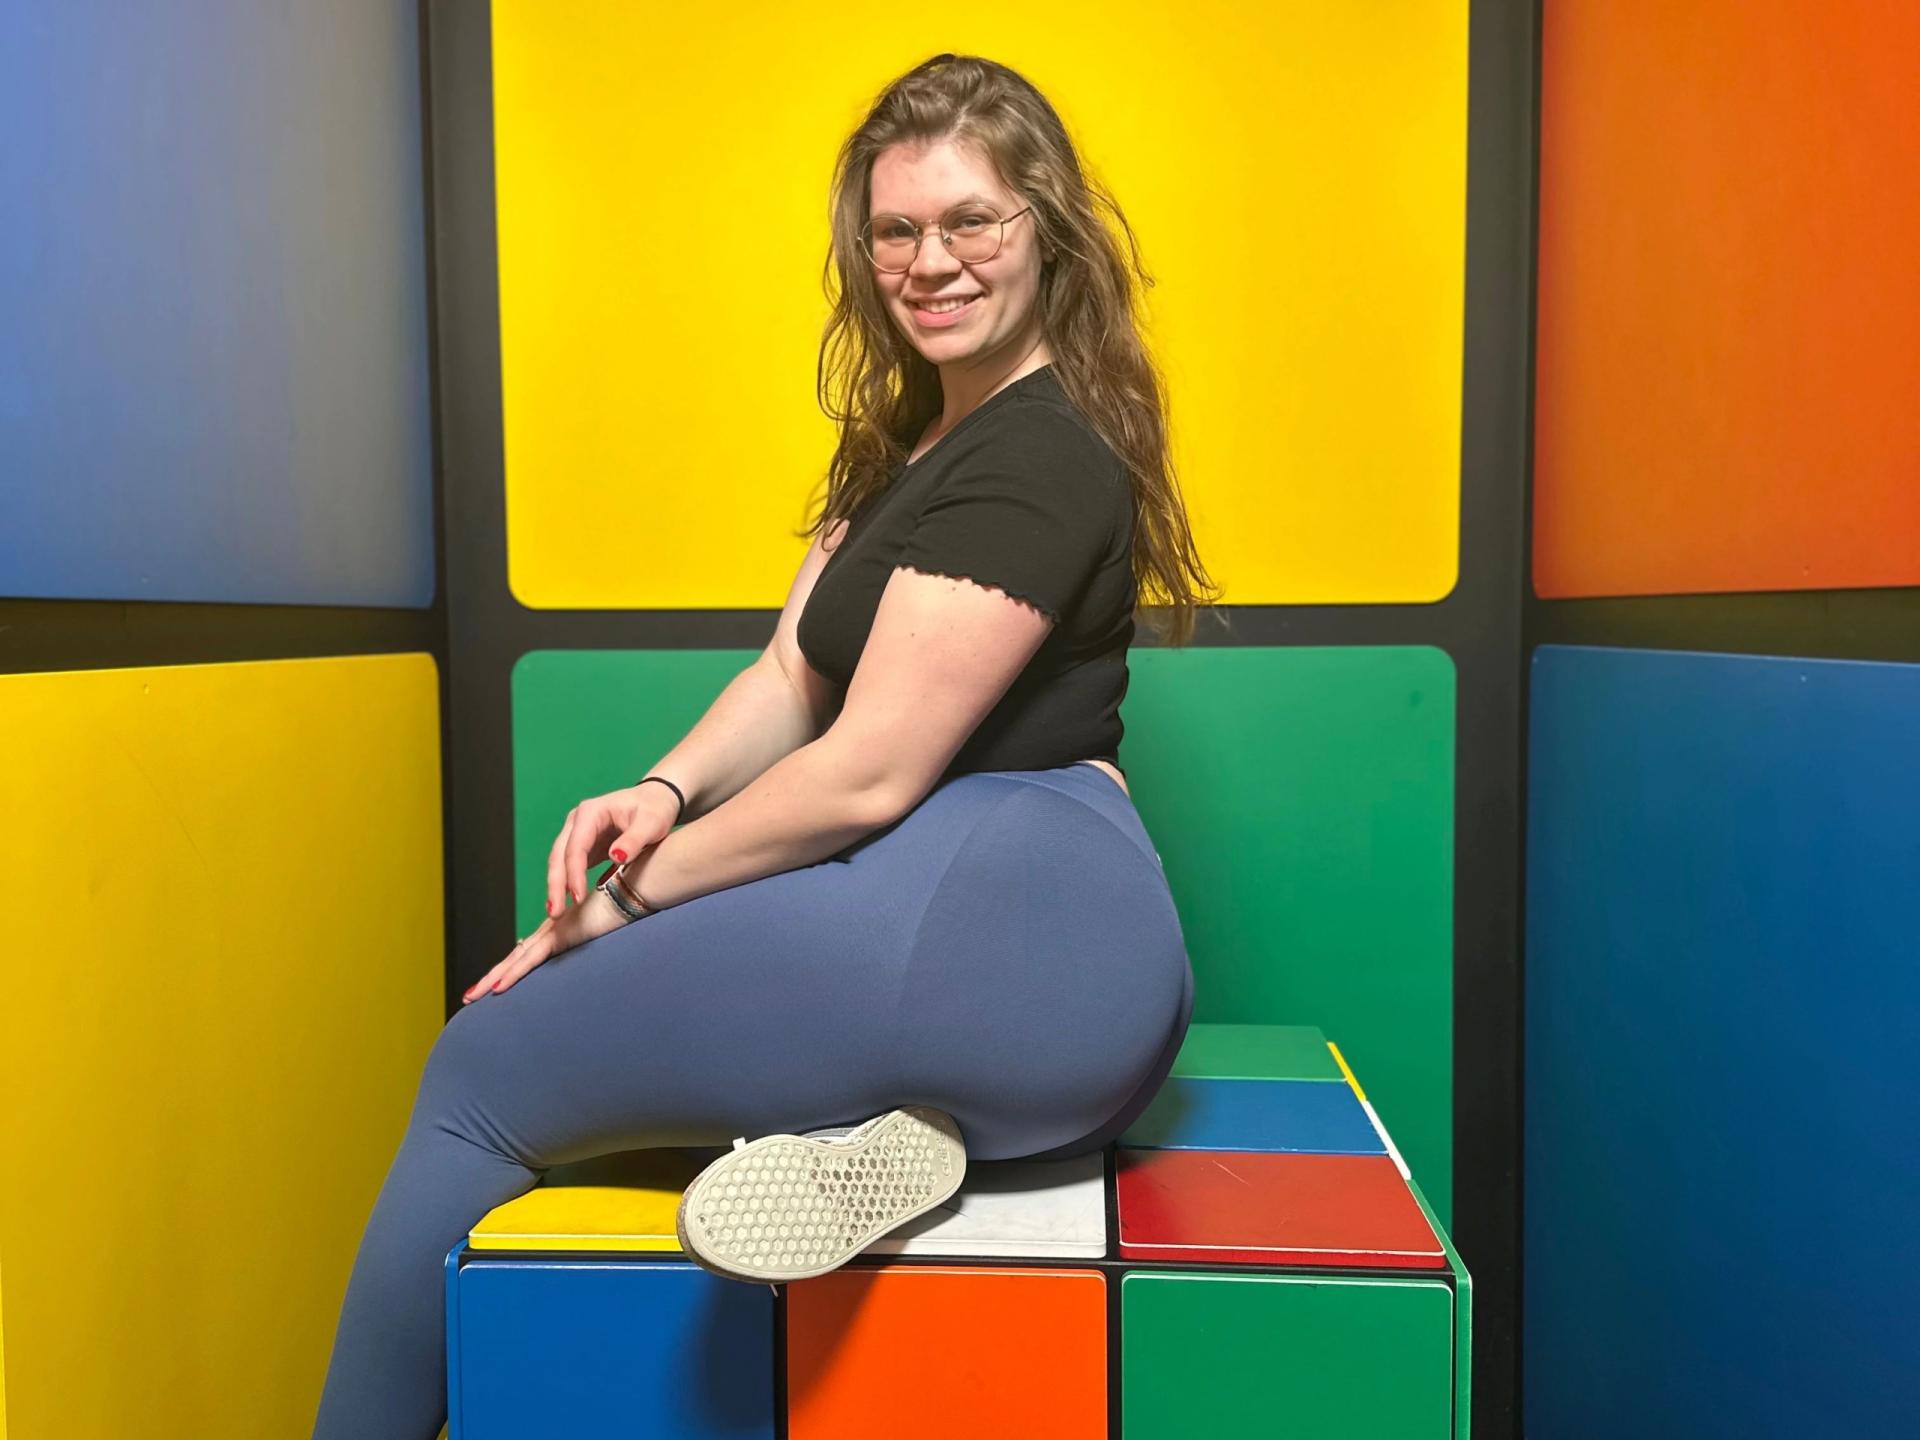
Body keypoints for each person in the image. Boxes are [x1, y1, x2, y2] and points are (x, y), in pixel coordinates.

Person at [311, 51, 1222, 1438]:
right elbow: (792, 673)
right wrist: (663, 789)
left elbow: (867, 771)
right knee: (671, 1038)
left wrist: (618, 904)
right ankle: (903, 1129)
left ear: (1045, 227)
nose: (932, 262)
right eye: (897, 230)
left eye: (971, 221)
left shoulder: (1039, 455)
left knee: (480, 1073)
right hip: (1015, 959)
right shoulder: (914, 449)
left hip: (1022, 921)